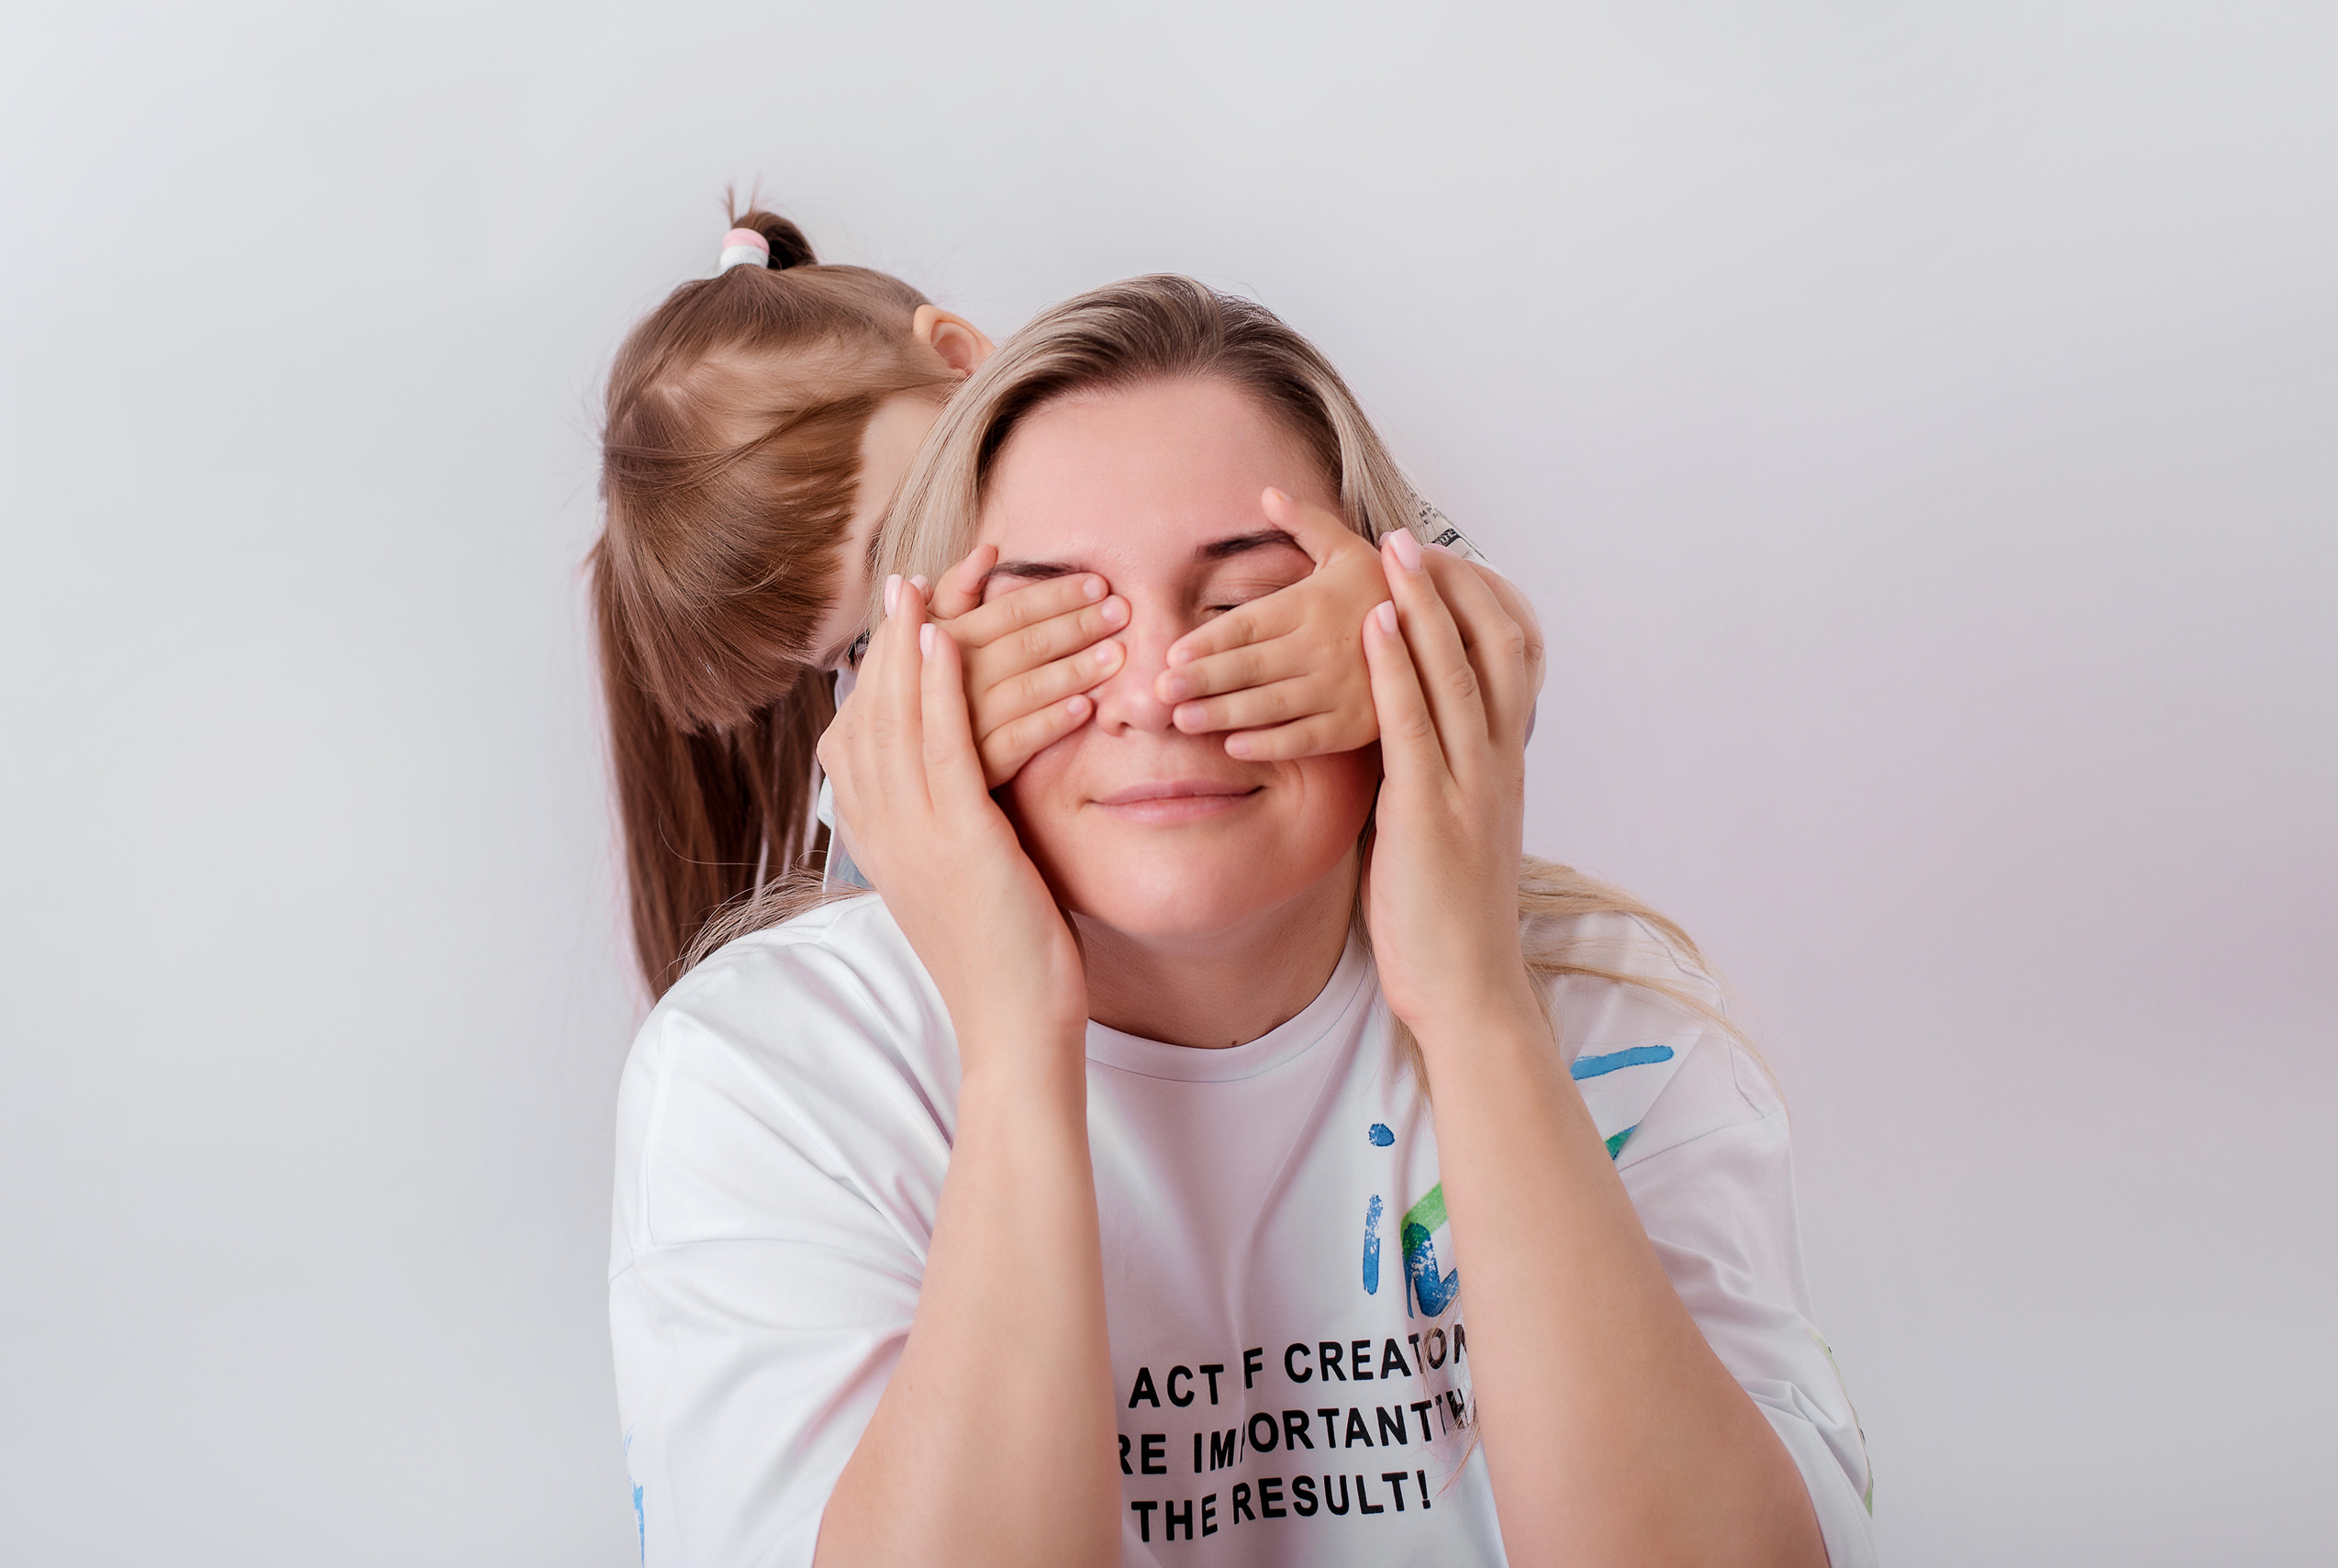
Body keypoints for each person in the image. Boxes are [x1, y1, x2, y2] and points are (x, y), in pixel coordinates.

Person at [607, 276, 1876, 1566]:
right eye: (1061, 626)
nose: (1157, 688)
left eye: (1245, 613)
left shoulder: (1617, 1020)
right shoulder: (768, 1076)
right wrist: (1012, 1042)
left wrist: (1478, 1005)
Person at [593, 209, 1529, 998]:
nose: (921, 614)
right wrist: (924, 762)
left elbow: (1498, 639)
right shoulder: (885, 710)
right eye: (861, 643)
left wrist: (1386, 622)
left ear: (959, 360)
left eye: (896, 538)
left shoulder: (1146, 415)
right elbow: (887, 907)